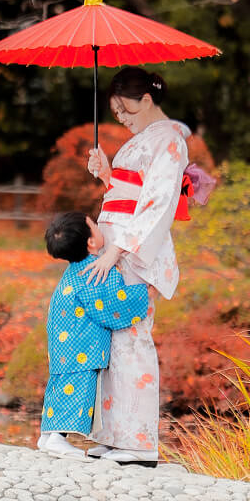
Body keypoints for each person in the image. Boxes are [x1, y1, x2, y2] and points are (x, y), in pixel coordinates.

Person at [82, 66, 191, 465]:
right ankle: (114, 435)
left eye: (125, 110)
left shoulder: (170, 141)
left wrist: (121, 248)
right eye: (116, 113)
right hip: (115, 245)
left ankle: (139, 442)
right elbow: (128, 193)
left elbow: (158, 203)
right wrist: (108, 175)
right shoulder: (142, 141)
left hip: (133, 250)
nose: (122, 119)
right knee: (111, 341)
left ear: (146, 100)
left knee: (132, 339)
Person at [36, 211, 150, 460]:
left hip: (65, 338)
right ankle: (57, 438)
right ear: (91, 242)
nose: (101, 229)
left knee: (61, 384)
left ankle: (48, 435)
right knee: (76, 388)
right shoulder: (95, 271)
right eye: (96, 226)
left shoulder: (76, 270)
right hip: (80, 343)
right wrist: (143, 292)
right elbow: (113, 306)